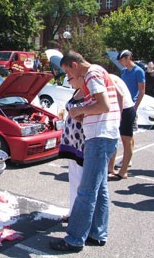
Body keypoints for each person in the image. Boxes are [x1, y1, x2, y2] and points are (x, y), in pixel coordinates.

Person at [50, 51, 120, 252]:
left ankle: (74, 239)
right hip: (105, 135)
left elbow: (104, 105)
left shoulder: (92, 74)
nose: (70, 77)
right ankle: (97, 233)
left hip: (99, 138)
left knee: (86, 191)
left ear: (74, 65)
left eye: (68, 73)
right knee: (100, 189)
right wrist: (84, 113)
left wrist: (78, 111)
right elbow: (100, 105)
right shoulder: (99, 72)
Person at [58, 75, 85, 222]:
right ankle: (72, 210)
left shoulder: (89, 93)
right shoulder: (77, 91)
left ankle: (80, 216)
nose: (68, 81)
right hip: (71, 141)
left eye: (70, 78)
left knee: (81, 180)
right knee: (73, 178)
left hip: (81, 141)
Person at [115, 50, 145, 168]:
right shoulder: (123, 71)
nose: (120, 63)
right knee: (126, 134)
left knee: (128, 135)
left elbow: (142, 91)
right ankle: (127, 158)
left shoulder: (139, 71)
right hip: (124, 105)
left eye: (122, 60)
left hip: (131, 106)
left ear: (128, 58)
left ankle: (127, 159)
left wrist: (135, 107)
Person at [108, 74, 136, 180]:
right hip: (121, 109)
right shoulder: (106, 76)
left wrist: (119, 113)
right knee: (114, 137)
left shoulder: (107, 77)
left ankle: (123, 171)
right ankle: (110, 168)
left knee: (126, 141)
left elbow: (120, 95)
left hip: (126, 110)